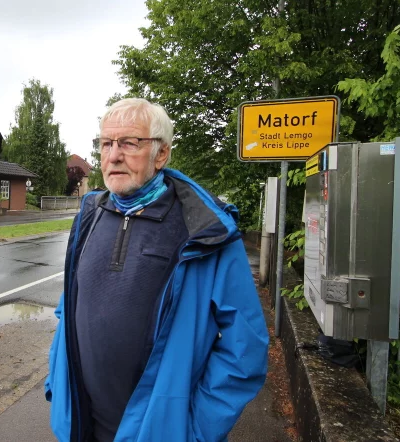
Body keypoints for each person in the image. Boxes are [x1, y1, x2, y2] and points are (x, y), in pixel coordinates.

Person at [45, 98, 270, 441]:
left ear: (161, 154)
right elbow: (68, 309)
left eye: (130, 143)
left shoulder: (204, 231)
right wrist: (56, 385)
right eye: (106, 143)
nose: (114, 155)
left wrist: (196, 429)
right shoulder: (90, 215)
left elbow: (246, 347)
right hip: (82, 428)